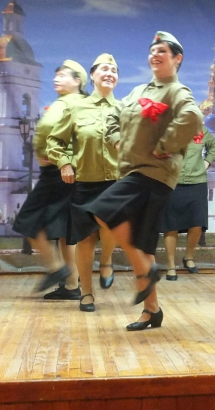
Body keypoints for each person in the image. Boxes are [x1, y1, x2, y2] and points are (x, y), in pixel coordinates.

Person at [85, 31, 202, 330]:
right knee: (144, 245)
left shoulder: (177, 91)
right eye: (152, 50)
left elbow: (192, 118)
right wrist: (116, 140)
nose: (155, 55)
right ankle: (152, 310)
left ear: (177, 58)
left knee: (103, 210)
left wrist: (165, 146)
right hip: (133, 170)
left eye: (162, 50)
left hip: (154, 173)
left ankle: (146, 272)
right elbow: (113, 118)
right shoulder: (138, 92)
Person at [47, 54, 121, 312]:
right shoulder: (76, 108)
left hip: (116, 182)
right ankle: (87, 293)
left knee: (111, 229)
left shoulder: (124, 110)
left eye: (114, 70)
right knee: (86, 239)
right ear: (92, 75)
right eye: (104, 69)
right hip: (86, 183)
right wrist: (64, 163)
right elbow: (55, 141)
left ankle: (107, 260)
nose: (109, 73)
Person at [13, 60, 87, 296]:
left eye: (63, 75)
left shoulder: (73, 104)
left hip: (59, 172)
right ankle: (72, 285)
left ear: (77, 81)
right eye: (56, 75)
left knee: (28, 221)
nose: (57, 78)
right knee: (64, 231)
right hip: (62, 171)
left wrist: (54, 156)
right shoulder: (68, 103)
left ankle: (56, 268)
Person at [159, 125, 215, 280]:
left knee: (197, 222)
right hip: (172, 182)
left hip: (197, 182)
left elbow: (214, 146)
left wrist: (207, 162)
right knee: (171, 225)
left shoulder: (200, 129)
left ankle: (189, 257)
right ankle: (171, 265)